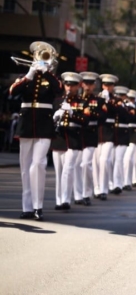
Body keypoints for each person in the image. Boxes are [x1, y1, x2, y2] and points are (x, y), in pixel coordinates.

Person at [10, 41, 62, 221]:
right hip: (26, 123)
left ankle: (38, 206)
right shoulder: (26, 78)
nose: (42, 58)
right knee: (25, 167)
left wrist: (47, 71)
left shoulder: (52, 79)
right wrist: (29, 75)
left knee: (38, 164)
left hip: (44, 124)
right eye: (40, 55)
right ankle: (27, 207)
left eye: (45, 56)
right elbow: (13, 92)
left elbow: (59, 90)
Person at [51, 72, 89, 211]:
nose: (69, 88)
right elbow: (50, 121)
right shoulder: (57, 101)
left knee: (68, 169)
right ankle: (59, 199)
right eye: (67, 84)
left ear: (78, 86)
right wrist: (55, 116)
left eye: (72, 85)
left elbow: (86, 120)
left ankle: (66, 200)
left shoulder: (82, 102)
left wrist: (72, 114)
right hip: (59, 138)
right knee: (59, 172)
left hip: (74, 138)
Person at [73, 72, 106, 207]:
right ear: (81, 84)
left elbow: (103, 117)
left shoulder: (99, 100)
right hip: (77, 133)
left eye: (91, 84)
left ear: (94, 85)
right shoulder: (76, 99)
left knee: (86, 164)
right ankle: (77, 194)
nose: (88, 86)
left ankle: (87, 193)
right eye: (86, 83)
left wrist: (90, 112)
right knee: (76, 165)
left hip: (91, 133)